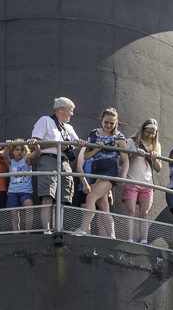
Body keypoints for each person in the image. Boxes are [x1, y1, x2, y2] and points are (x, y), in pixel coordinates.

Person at [30, 97, 84, 233]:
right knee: (48, 196)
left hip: (65, 162)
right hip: (48, 159)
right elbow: (35, 142)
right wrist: (57, 144)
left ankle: (58, 227)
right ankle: (46, 229)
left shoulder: (69, 128)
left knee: (63, 197)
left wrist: (80, 143)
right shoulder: (45, 121)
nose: (72, 114)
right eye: (70, 110)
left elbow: (76, 143)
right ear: (61, 109)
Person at [74, 108, 128, 238]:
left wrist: (123, 177)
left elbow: (125, 160)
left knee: (91, 197)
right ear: (101, 120)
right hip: (96, 171)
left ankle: (83, 229)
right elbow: (86, 156)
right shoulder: (93, 134)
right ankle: (112, 236)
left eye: (112, 123)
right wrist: (97, 149)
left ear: (116, 123)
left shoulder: (119, 137)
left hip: (110, 172)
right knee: (103, 205)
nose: (109, 126)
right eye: (106, 122)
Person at [121, 118, 162, 243]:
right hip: (132, 180)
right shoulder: (131, 141)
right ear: (142, 130)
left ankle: (143, 239)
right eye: (148, 132)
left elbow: (159, 168)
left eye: (153, 133)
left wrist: (154, 159)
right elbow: (123, 161)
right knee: (131, 211)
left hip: (147, 183)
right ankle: (129, 239)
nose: (150, 135)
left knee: (144, 213)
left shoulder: (156, 145)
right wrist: (135, 154)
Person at [3, 139, 40, 230]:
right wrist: (7, 146)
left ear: (25, 151)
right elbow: (5, 156)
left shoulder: (26, 159)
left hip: (25, 191)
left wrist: (36, 144)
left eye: (22, 149)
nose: (19, 151)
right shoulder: (11, 162)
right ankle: (16, 233)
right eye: (17, 149)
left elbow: (37, 152)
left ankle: (28, 233)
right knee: (14, 213)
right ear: (13, 151)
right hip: (13, 191)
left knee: (29, 206)